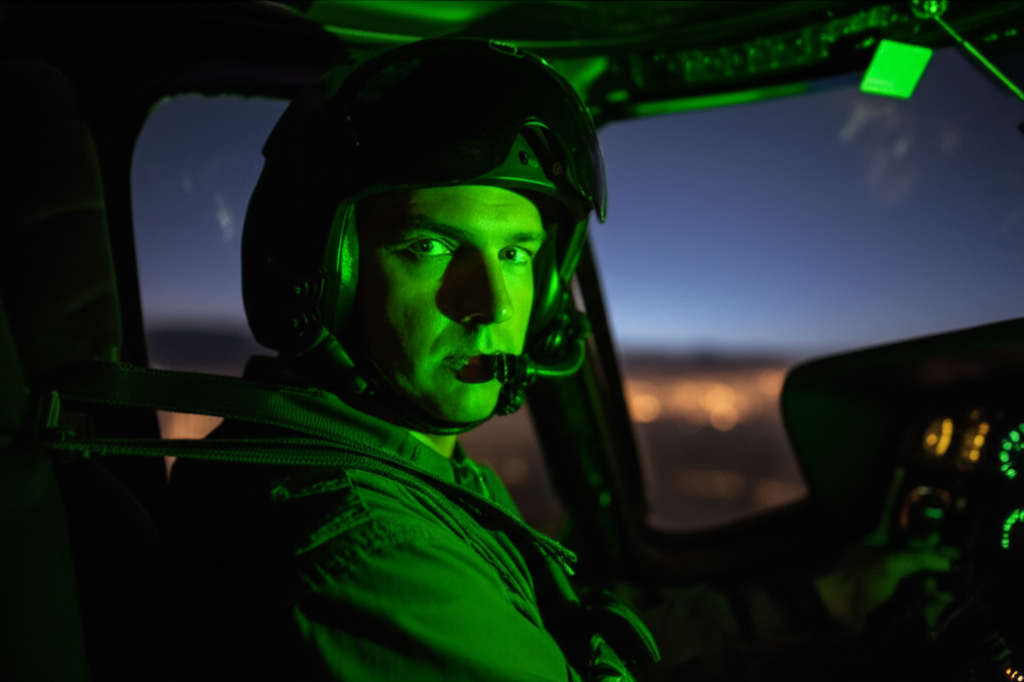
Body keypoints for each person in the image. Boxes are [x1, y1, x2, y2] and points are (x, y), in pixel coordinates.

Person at [167, 37, 955, 682]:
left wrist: (823, 602)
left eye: (516, 253)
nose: (490, 305)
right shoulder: (363, 546)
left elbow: (582, 637)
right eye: (429, 245)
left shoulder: (406, 468)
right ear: (324, 278)